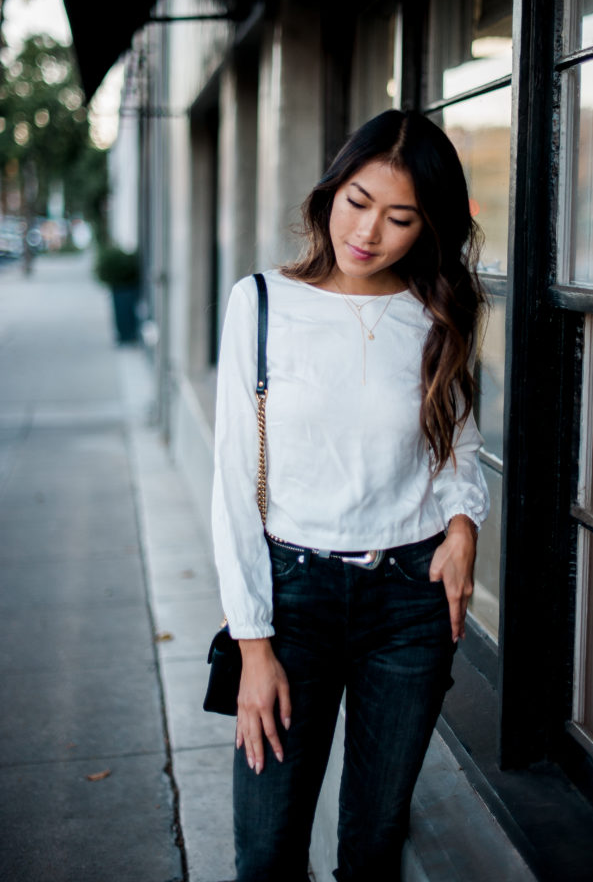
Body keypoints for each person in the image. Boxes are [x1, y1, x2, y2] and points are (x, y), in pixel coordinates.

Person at [211, 109, 490, 882]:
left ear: (426, 228)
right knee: (266, 854)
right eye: (356, 201)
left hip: (408, 604)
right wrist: (253, 645)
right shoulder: (261, 304)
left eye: (399, 217)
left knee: (372, 848)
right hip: (291, 598)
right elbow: (233, 482)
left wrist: (462, 523)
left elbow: (458, 447)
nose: (367, 231)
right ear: (329, 192)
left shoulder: (437, 315)